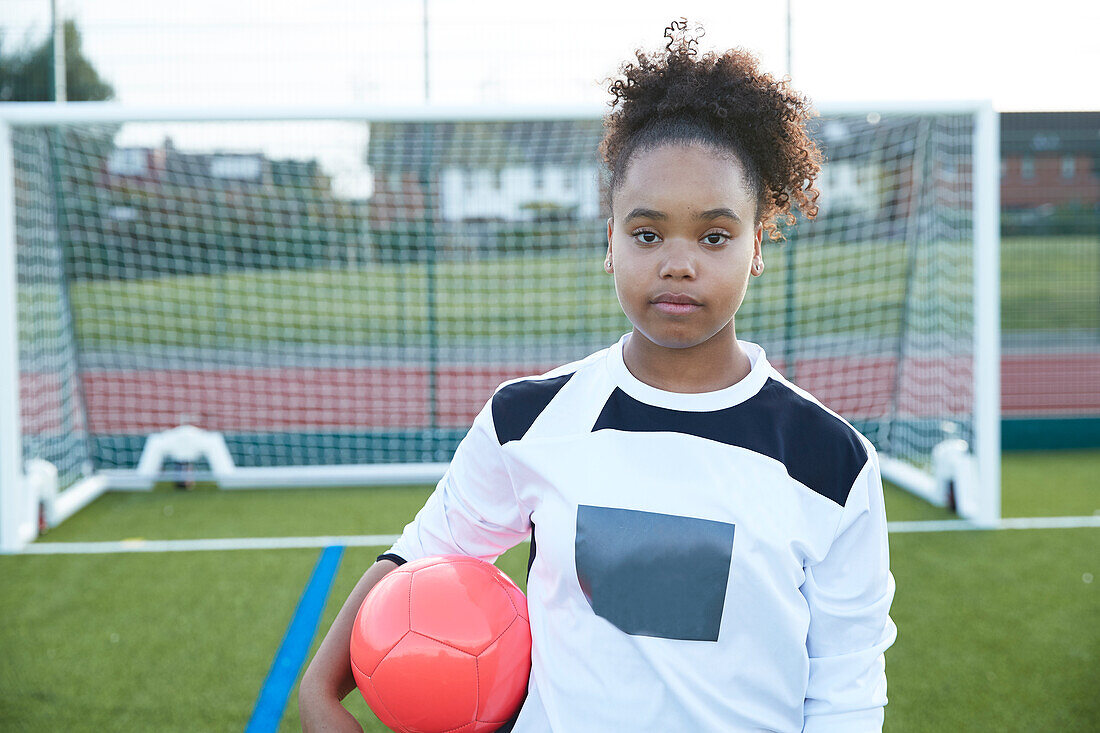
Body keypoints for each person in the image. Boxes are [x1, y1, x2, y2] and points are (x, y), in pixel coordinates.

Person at [300, 19, 896, 732]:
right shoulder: (526, 419)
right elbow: (424, 554)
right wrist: (319, 690)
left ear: (758, 245)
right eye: (647, 233)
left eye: (714, 235)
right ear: (609, 241)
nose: (679, 262)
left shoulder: (829, 460)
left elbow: (847, 679)